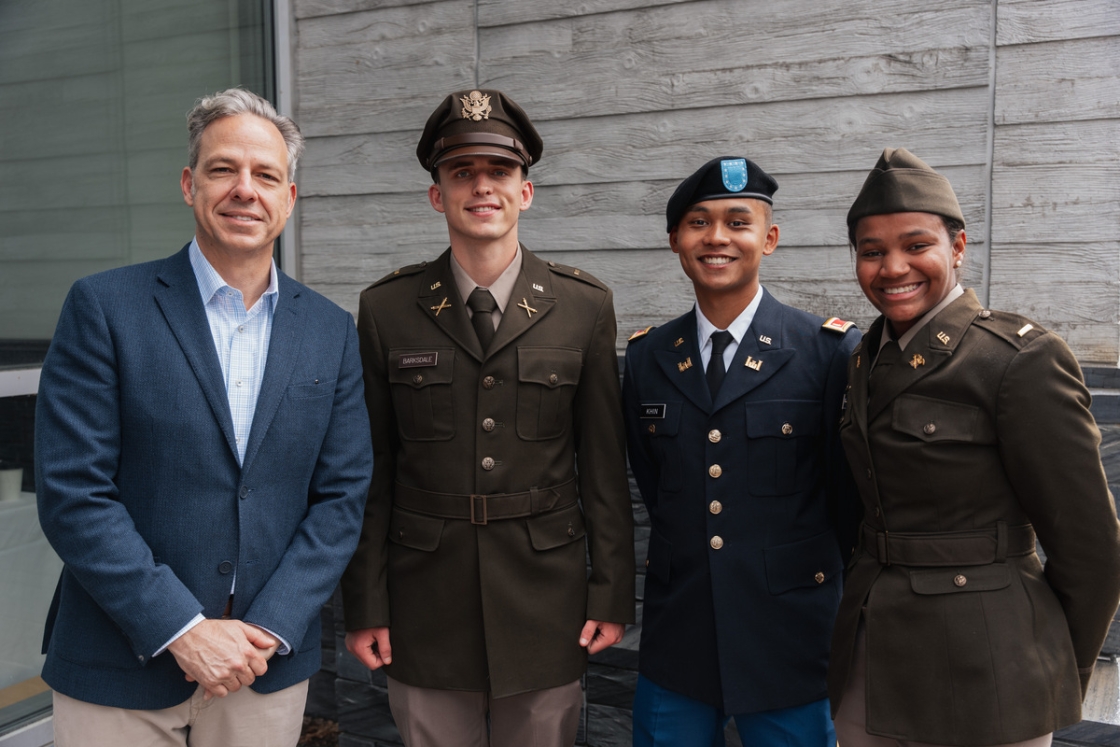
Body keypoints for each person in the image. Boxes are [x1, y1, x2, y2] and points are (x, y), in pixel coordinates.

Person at [35, 88, 373, 747]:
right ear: (190, 184)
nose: (245, 189)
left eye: (266, 174)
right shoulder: (105, 308)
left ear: (290, 198)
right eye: (224, 169)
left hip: (262, 665)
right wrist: (183, 630)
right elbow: (75, 494)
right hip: (120, 664)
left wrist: (270, 627)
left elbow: (341, 497)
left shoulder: (331, 331)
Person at [340, 89, 635, 747]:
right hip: (425, 605)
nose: (481, 186)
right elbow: (371, 471)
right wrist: (365, 604)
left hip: (545, 601)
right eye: (460, 172)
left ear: (524, 191)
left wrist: (611, 592)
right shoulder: (387, 309)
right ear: (436, 195)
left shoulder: (582, 305)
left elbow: (603, 466)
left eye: (498, 171)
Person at [829, 147, 1120, 747]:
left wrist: (1051, 665)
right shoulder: (863, 357)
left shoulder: (1017, 359)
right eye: (872, 251)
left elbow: (1093, 549)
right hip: (873, 656)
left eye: (916, 246)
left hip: (990, 665)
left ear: (957, 249)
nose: (893, 267)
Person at [623, 156, 861, 747]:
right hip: (680, 638)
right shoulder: (647, 357)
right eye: (699, 223)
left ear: (770, 238)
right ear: (676, 240)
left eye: (738, 221)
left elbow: (847, 500)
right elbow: (658, 489)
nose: (718, 238)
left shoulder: (828, 351)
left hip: (792, 641)